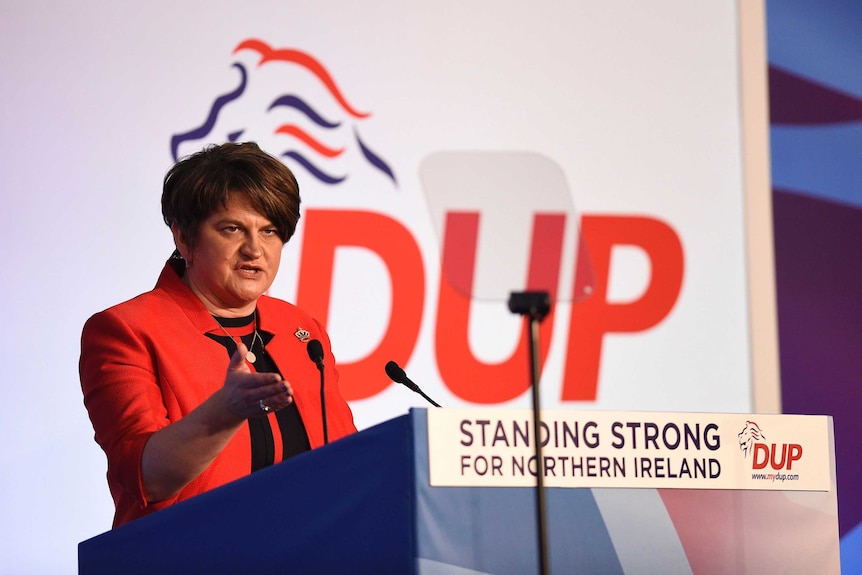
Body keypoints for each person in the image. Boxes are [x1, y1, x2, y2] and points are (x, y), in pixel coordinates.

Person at [80, 142, 357, 527]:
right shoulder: (127, 330)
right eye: (232, 229)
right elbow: (147, 477)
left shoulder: (301, 329)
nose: (254, 249)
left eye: (270, 231)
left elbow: (345, 456)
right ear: (184, 239)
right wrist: (225, 412)